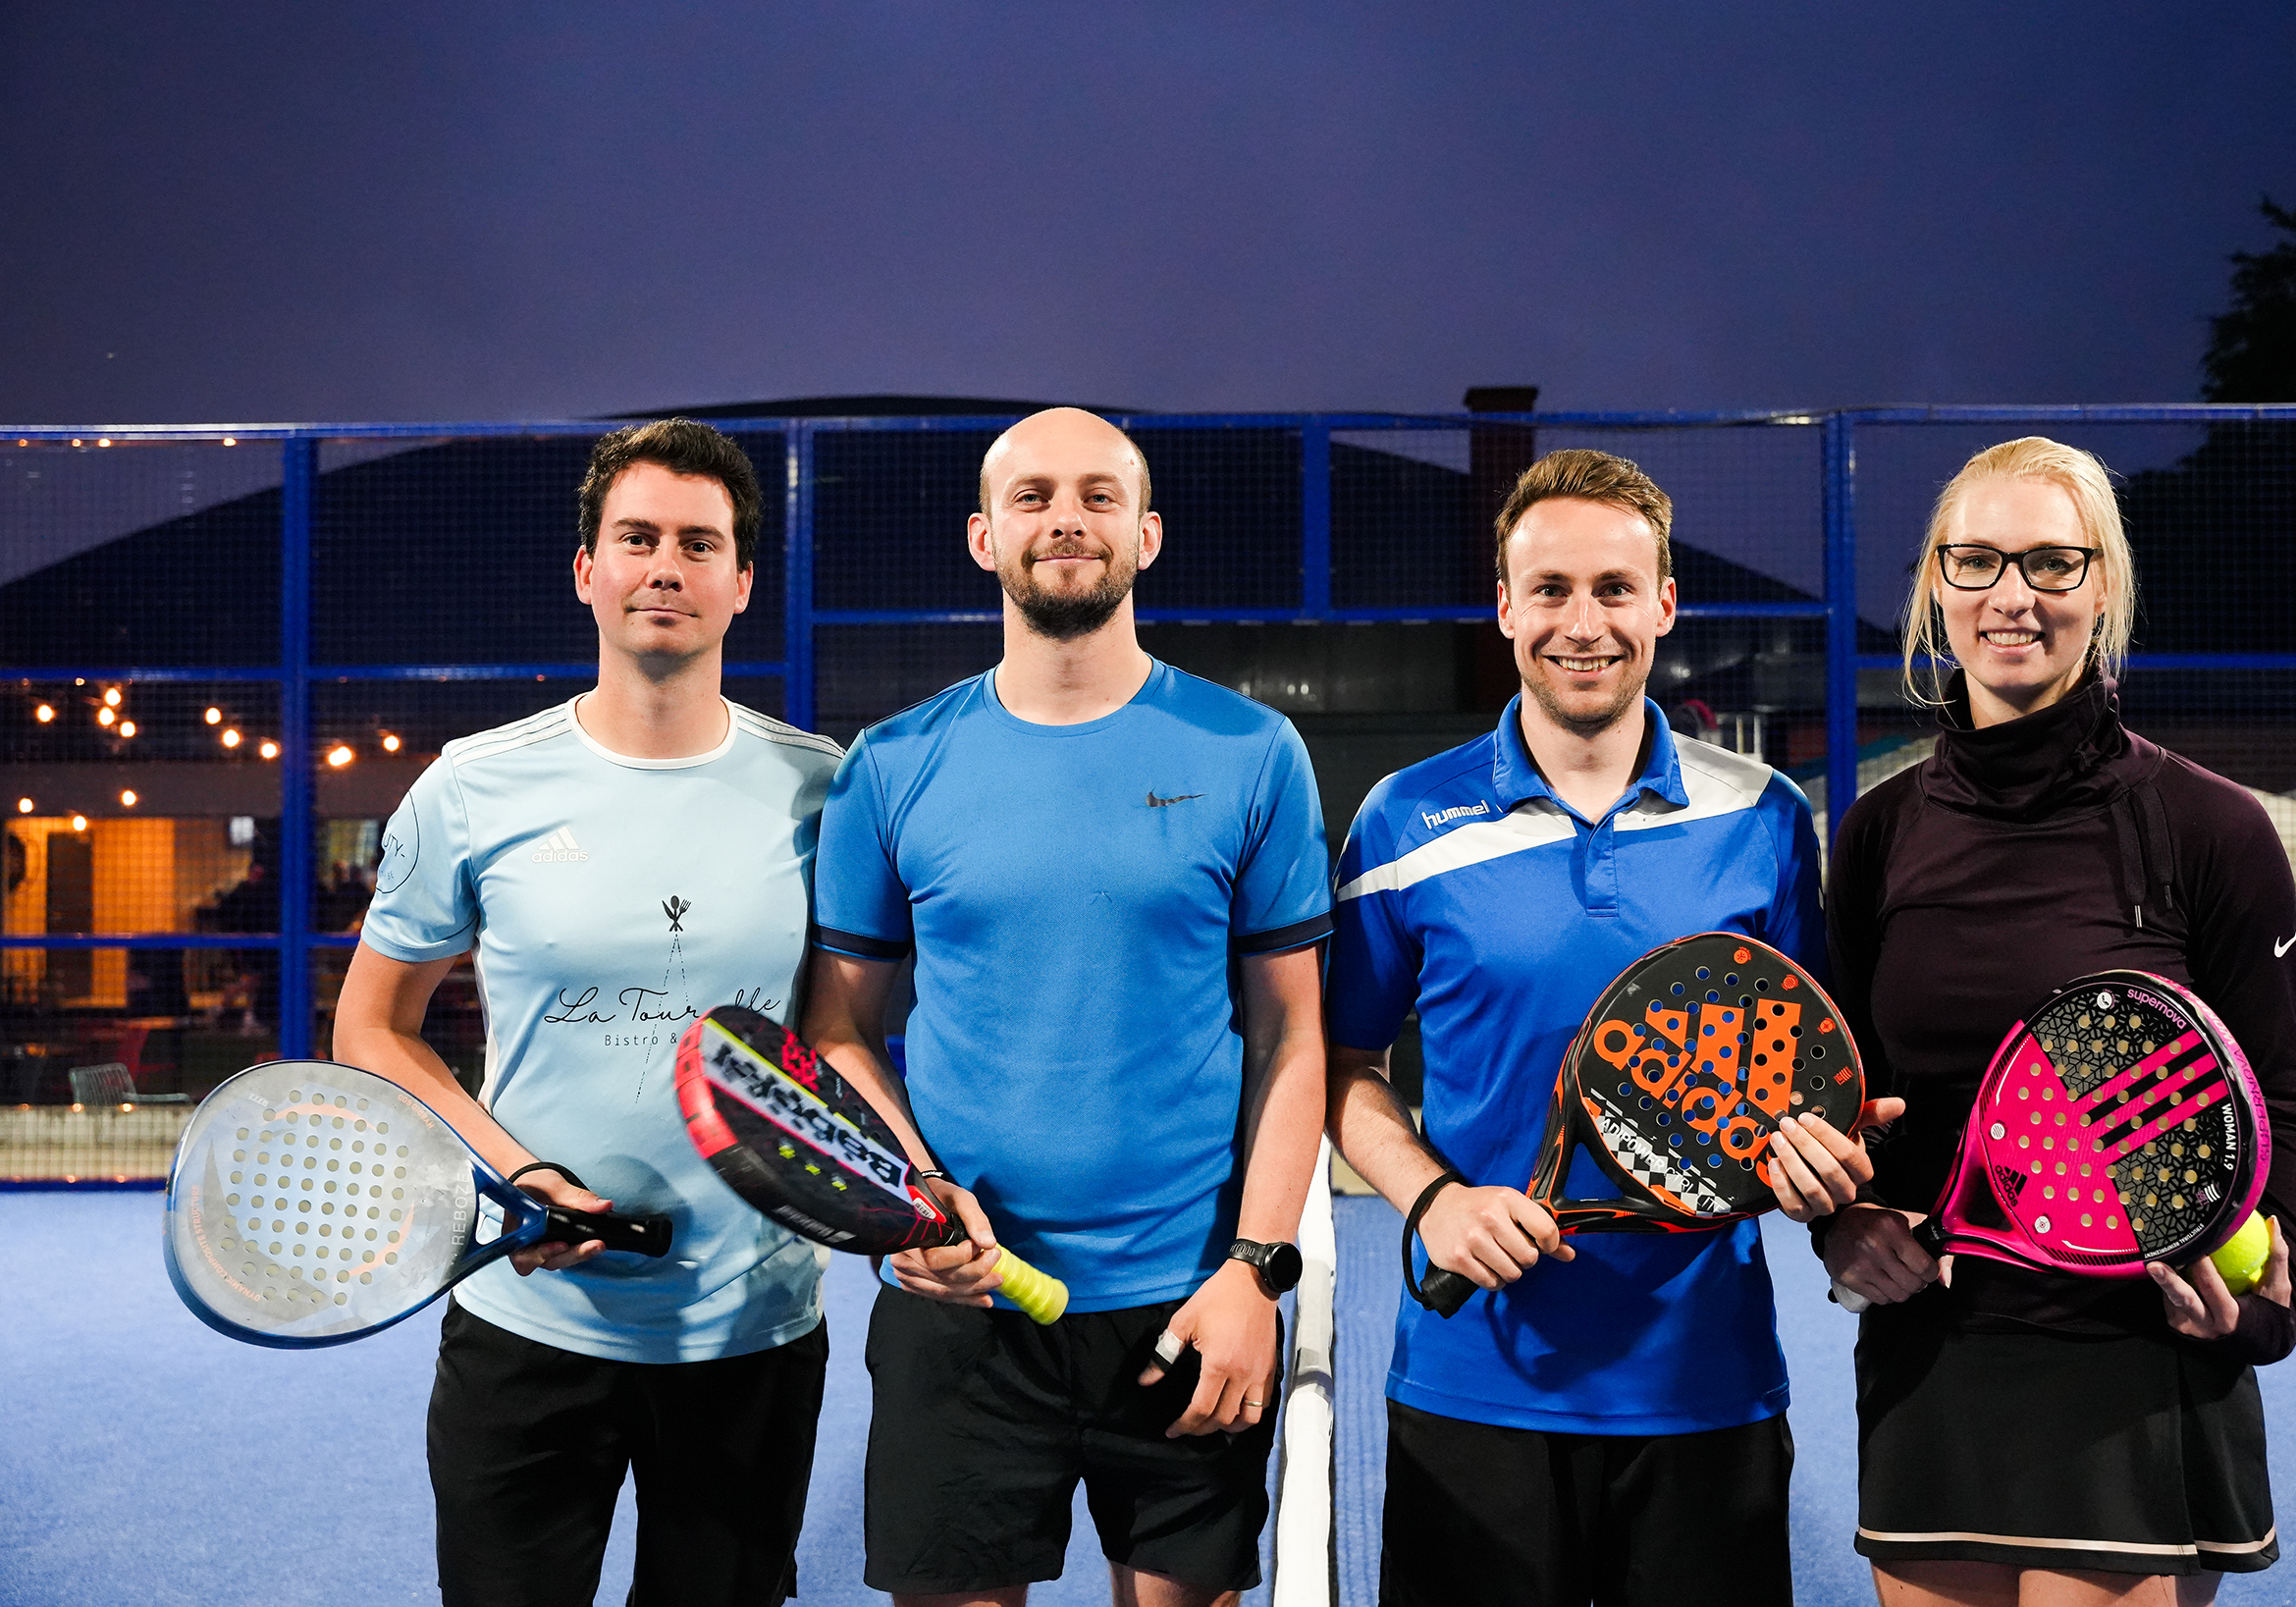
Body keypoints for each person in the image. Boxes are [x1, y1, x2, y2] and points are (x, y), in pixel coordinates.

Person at [1325, 447, 1899, 1607]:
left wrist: (1833, 1188)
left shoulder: (1763, 816)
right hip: (1471, 1382)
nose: (1581, 623)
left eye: (1613, 589)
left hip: (1705, 1387)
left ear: (1663, 604)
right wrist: (1434, 1201)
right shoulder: (1401, 820)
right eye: (1549, 589)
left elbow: (1816, 1079)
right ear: (1504, 605)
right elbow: (1342, 1066)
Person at [802, 406, 1331, 1607]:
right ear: (983, 536)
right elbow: (838, 1027)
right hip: (963, 1307)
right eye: (1032, 496)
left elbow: (1291, 1035)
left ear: (1146, 533)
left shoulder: (1252, 750)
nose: (1066, 519)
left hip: (1186, 1300)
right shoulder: (890, 763)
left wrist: (1255, 1269)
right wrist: (916, 1195)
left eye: (1099, 495)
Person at [334, 418, 841, 1607]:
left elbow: (842, 1035)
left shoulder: (823, 788)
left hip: (751, 1327)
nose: (666, 565)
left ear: (742, 582)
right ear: (587, 569)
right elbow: (372, 1025)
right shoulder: (470, 786)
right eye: (637, 537)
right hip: (527, 1321)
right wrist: (518, 1173)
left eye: (699, 543)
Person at [1818, 437, 2296, 1607]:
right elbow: (1851, 1099)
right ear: (1935, 584)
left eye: (2052, 561)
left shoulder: (2210, 828)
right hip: (1930, 1353)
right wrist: (1841, 1224)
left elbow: (2282, 1107)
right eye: (1978, 560)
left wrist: (2266, 1294)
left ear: (2102, 587)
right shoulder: (1877, 833)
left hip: (2133, 1358)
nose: (2013, 595)